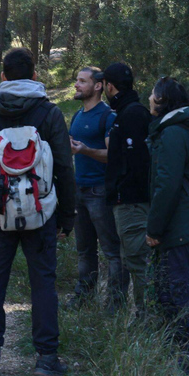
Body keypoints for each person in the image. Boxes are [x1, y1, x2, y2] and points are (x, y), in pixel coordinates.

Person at [0, 47, 76, 376]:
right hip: (41, 213)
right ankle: (46, 358)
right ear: (35, 76)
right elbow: (65, 169)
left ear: (2, 77)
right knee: (43, 282)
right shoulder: (49, 113)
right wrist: (67, 215)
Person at [145, 77, 189, 375]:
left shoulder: (173, 133)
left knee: (184, 289)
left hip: (182, 225)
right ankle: (179, 349)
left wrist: (154, 228)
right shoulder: (178, 129)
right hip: (184, 222)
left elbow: (167, 185)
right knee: (171, 288)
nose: (148, 98)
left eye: (152, 94)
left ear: (162, 99)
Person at [67, 66, 127, 312]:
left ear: (98, 86)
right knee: (84, 250)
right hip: (79, 191)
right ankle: (83, 297)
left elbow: (114, 155)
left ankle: (115, 303)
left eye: (82, 81)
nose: (77, 85)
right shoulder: (77, 116)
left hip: (100, 192)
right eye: (77, 80)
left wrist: (86, 150)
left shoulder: (107, 116)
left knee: (112, 251)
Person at [100, 62, 152, 317]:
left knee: (137, 261)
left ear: (109, 86)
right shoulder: (129, 111)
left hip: (132, 202)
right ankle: (143, 314)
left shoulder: (132, 114)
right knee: (132, 259)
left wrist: (122, 191)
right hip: (128, 201)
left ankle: (147, 318)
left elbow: (137, 163)